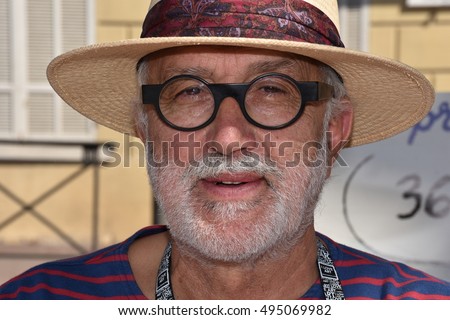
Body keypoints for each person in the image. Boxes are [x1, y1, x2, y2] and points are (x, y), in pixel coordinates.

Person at [1, 0, 449, 300]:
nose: (228, 137)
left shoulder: (421, 305)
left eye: (274, 90)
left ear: (333, 130)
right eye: (189, 91)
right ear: (144, 126)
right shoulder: (40, 300)